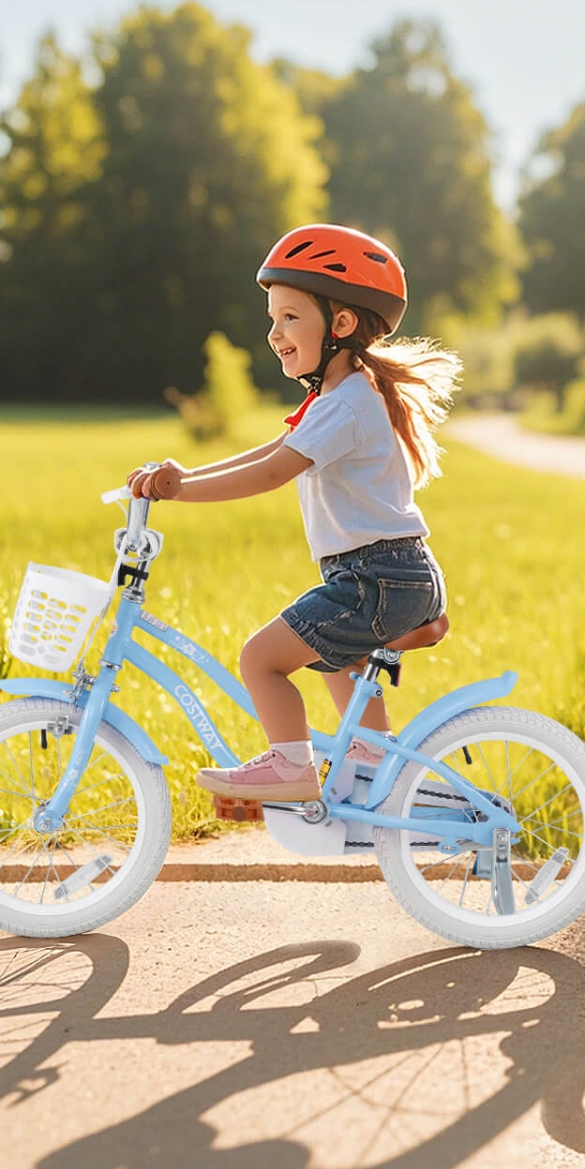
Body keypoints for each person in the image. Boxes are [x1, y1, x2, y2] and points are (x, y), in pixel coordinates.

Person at [127, 224, 461, 802]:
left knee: (261, 659)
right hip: (386, 575)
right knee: (332, 657)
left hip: (377, 577)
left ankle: (291, 770)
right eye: (272, 319)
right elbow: (272, 451)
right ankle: (372, 769)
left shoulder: (348, 401)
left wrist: (179, 493)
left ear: (342, 324)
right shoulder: (339, 396)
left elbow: (271, 472)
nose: (274, 332)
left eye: (289, 317)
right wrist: (183, 478)